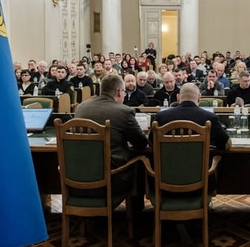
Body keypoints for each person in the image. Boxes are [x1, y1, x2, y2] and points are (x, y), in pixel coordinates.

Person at [74, 75, 148, 221]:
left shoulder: (81, 108)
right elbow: (141, 144)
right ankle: (136, 217)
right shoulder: (124, 111)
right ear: (119, 92)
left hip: (78, 176)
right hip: (111, 179)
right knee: (140, 161)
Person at [153, 83, 231, 151]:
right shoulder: (210, 118)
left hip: (167, 163)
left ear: (178, 97)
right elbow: (227, 145)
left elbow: (151, 143)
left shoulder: (161, 117)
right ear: (199, 98)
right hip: (200, 164)